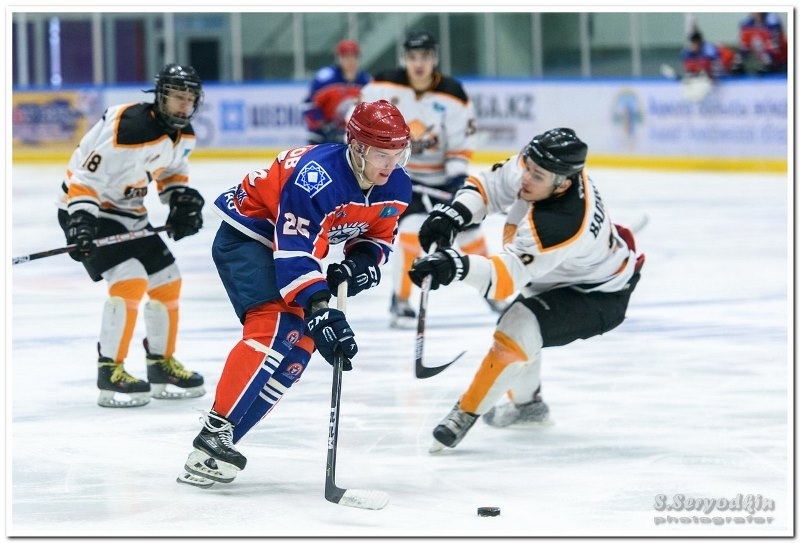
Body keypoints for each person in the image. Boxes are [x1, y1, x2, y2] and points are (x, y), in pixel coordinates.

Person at [176, 100, 412, 488]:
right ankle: (215, 430)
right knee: (276, 327)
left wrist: (361, 263)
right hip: (249, 236)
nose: (391, 164)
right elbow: (294, 252)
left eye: (398, 153)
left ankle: (216, 450)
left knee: (302, 345)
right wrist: (319, 307)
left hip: (288, 247)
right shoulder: (316, 179)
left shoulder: (397, 184)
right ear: (356, 147)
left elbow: (378, 235)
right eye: (381, 154)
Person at [408, 128, 645, 451]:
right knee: (522, 327)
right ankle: (528, 407)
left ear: (563, 185)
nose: (526, 178)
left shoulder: (561, 224)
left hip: (599, 295)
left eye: (537, 175)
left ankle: (463, 415)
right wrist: (455, 214)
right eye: (527, 167)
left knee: (517, 326)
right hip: (559, 275)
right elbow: (489, 186)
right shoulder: (541, 168)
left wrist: (454, 266)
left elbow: (504, 280)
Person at [57, 63, 207, 408]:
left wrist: (179, 201)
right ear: (161, 96)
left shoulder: (184, 134)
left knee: (168, 280)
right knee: (130, 279)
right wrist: (81, 222)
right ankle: (110, 370)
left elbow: (172, 172)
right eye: (177, 97)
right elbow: (85, 179)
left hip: (130, 213)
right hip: (88, 210)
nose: (184, 104)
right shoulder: (129, 127)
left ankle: (161, 364)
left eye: (190, 98)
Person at [356, 29, 501, 328]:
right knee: (410, 233)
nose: (419, 63)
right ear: (404, 59)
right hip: (401, 177)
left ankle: (492, 288)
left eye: (424, 56)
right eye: (412, 57)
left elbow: (461, 141)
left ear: (434, 59)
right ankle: (400, 300)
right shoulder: (382, 85)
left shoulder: (453, 93)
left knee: (471, 235)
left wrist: (455, 179)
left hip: (444, 179)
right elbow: (358, 121)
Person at [302, 39, 372, 145]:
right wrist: (324, 125)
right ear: (338, 58)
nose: (351, 61)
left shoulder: (366, 81)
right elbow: (309, 105)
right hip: (322, 135)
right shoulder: (325, 79)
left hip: (351, 134)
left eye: (354, 57)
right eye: (346, 57)